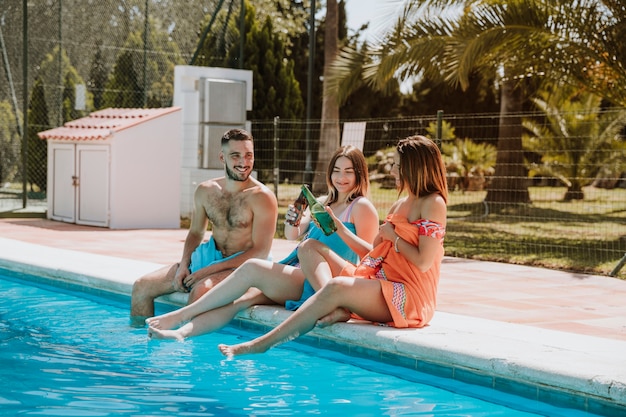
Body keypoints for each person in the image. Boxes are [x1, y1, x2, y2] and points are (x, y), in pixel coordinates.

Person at [217, 135, 448, 357]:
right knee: (308, 247)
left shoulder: (433, 203)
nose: (392, 171)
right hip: (381, 279)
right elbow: (373, 253)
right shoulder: (400, 204)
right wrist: (339, 228)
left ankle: (261, 344)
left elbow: (424, 261)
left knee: (336, 287)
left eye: (397, 165)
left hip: (408, 295)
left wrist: (393, 237)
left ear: (413, 167)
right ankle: (337, 307)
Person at [145, 145, 379, 340]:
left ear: (360, 174)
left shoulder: (361, 207)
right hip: (299, 272)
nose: (341, 178)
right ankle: (182, 333)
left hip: (325, 280)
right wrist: (293, 220)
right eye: (336, 171)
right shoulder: (322, 201)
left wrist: (338, 227)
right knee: (240, 301)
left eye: (349, 172)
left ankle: (180, 315)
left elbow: (371, 257)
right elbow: (291, 235)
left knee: (252, 268)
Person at [130, 128, 278, 326]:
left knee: (200, 291)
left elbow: (260, 252)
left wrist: (209, 271)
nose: (244, 163)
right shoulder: (206, 191)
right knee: (141, 287)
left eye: (248, 155)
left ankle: (188, 352)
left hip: (243, 266)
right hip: (208, 258)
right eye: (235, 156)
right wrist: (184, 264)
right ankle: (141, 346)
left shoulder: (262, 197)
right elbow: (196, 233)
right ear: (222, 157)